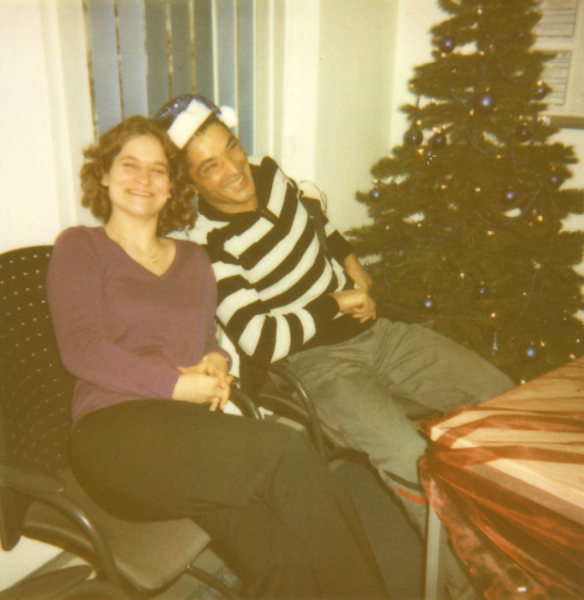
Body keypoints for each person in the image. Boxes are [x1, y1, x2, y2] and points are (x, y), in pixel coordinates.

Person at [155, 94, 516, 599]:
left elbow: (318, 222)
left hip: (379, 333)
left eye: (230, 146)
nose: (234, 169)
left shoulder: (269, 175)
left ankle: (520, 534)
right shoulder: (208, 247)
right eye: (210, 166)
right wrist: (333, 304)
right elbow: (261, 342)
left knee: (502, 395)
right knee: (409, 456)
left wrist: (352, 266)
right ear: (191, 185)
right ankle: (469, 585)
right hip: (318, 364)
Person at [46, 115, 390, 600]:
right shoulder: (81, 247)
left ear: (173, 186)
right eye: (129, 165)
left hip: (189, 437)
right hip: (114, 436)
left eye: (158, 169)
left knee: (282, 557)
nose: (144, 178)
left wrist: (216, 361)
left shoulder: (193, 259)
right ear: (103, 174)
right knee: (287, 453)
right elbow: (81, 348)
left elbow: (205, 336)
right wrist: (175, 385)